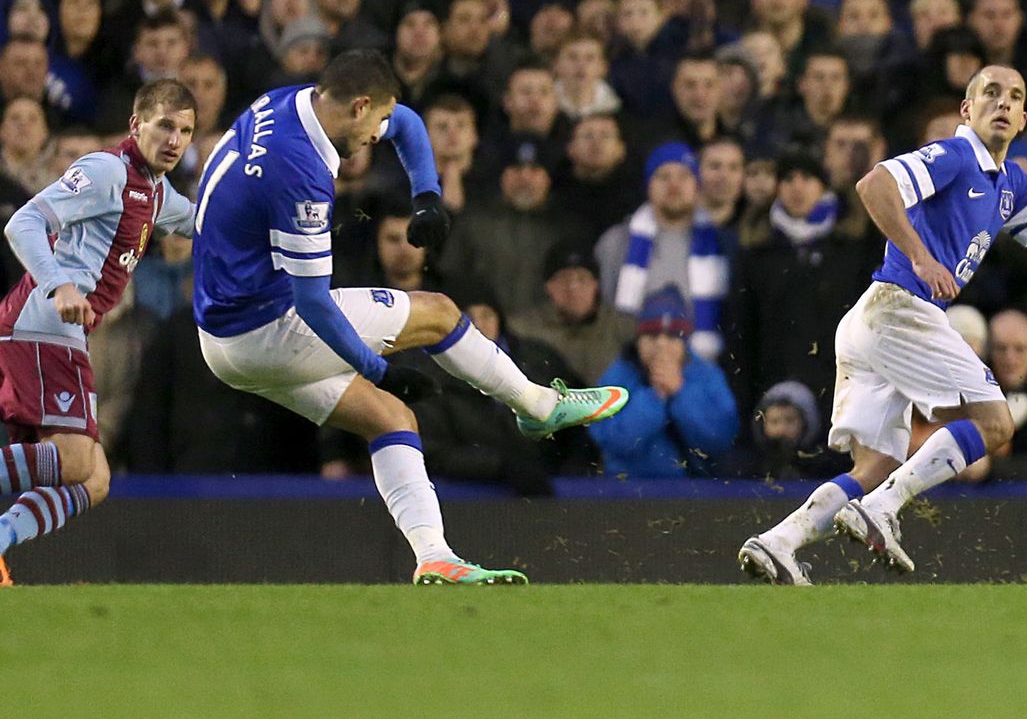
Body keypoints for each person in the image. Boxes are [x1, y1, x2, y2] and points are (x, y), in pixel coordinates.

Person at [737, 66, 1027, 584]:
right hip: (899, 307)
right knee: (996, 424)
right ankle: (884, 509)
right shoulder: (955, 157)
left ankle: (780, 541)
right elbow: (875, 184)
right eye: (990, 93)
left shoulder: (1009, 182)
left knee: (874, 465)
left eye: (1015, 96)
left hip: (873, 322)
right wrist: (919, 256)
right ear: (966, 110)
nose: (1002, 102)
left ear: (1024, 118)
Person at [190, 50, 628, 584]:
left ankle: (434, 557)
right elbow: (312, 303)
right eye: (374, 123)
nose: (377, 136)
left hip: (221, 338)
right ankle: (537, 405)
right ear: (358, 106)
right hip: (265, 326)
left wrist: (427, 196)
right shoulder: (299, 172)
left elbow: (408, 122)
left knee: (391, 418)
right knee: (439, 313)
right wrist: (377, 368)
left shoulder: (287, 103)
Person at [0, 80, 198, 579]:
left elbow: (204, 224)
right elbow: (23, 223)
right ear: (137, 125)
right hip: (44, 320)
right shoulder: (106, 170)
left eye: (186, 131)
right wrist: (59, 285)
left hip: (67, 334)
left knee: (94, 480)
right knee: (73, 461)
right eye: (166, 126)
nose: (175, 140)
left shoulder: (155, 192)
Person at [588, 285, 740, 478]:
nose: (661, 344)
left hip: (696, 493)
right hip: (627, 491)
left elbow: (719, 439)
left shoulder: (707, 376)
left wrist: (681, 393)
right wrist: (655, 396)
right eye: (651, 335)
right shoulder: (618, 376)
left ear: (684, 342)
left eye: (672, 336)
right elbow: (615, 442)